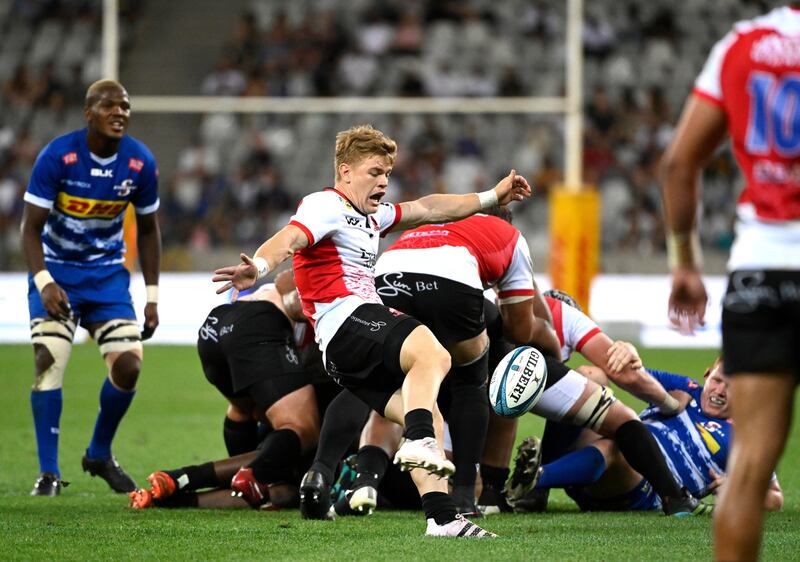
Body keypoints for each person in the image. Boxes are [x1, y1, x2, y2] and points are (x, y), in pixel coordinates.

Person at [212, 124, 532, 537]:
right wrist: (256, 268)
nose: (383, 181)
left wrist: (491, 196)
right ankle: (415, 443)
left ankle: (441, 517)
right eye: (374, 172)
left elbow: (429, 208)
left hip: (343, 349)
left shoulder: (372, 216)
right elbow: (289, 238)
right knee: (434, 354)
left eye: (387, 174)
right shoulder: (325, 204)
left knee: (427, 411)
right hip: (348, 320)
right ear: (345, 172)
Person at [660, 5, 800, 559]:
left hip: (762, 265)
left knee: (747, 471)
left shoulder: (742, 45)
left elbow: (678, 164)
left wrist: (685, 264)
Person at [370, 208, 562, 514]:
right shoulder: (507, 238)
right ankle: (463, 493)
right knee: (472, 382)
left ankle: (347, 478)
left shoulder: (441, 224)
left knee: (378, 383)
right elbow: (521, 329)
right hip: (452, 281)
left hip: (385, 275)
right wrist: (553, 342)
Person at [20, 79, 161, 496]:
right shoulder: (58, 156)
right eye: (109, 106)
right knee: (49, 359)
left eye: (125, 106)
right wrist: (43, 281)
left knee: (130, 367)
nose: (119, 112)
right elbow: (29, 229)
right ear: (89, 113)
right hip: (57, 274)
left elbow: (150, 231)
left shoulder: (139, 162)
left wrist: (152, 296)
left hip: (107, 278)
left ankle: (99, 453)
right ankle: (48, 472)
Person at [128, 276, 323, 510]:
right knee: (303, 430)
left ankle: (170, 491)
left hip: (217, 326)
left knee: (248, 412)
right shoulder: (333, 279)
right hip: (258, 325)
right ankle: (204, 477)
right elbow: (286, 284)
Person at [489, 289, 682, 513]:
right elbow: (628, 375)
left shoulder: (509, 302)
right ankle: (676, 497)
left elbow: (630, 372)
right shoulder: (566, 317)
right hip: (623, 486)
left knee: (578, 388)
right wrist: (672, 406)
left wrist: (626, 351)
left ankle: (518, 484)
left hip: (477, 374)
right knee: (590, 384)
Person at [517, 359, 784, 514]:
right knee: (589, 376)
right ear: (707, 374)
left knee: (621, 445)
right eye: (718, 380)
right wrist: (626, 354)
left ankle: (537, 478)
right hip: (597, 458)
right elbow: (627, 375)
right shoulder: (685, 387)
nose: (721, 390)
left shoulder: (744, 436)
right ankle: (538, 487)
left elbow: (774, 497)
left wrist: (738, 490)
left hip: (643, 489)